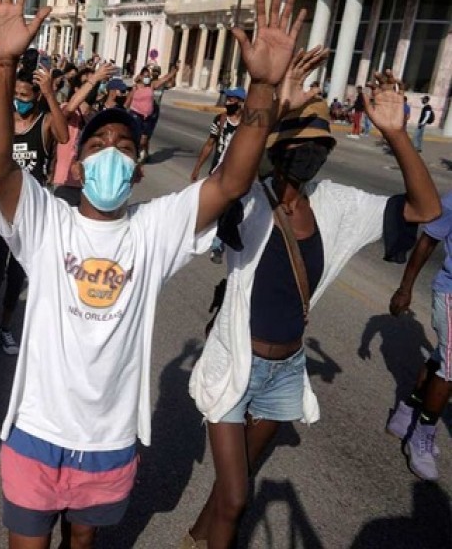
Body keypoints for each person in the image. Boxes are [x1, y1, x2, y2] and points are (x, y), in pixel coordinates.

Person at [0, 0, 307, 548]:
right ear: (77, 165)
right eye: (97, 142)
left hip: (108, 444)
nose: (109, 152)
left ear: (135, 169)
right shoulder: (47, 221)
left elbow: (231, 182)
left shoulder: (154, 230)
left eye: (123, 145)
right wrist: (3, 65)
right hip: (34, 432)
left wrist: (261, 87)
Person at [183, 73, 440, 548]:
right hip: (235, 362)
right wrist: (275, 111)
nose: (310, 154)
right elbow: (226, 178)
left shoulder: (337, 203)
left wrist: (398, 134)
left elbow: (425, 209)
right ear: (275, 145)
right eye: (299, 143)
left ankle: (197, 535)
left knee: (234, 481)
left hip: (285, 370)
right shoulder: (247, 197)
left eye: (321, 145)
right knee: (239, 497)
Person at [0, 65, 68, 355]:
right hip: (1, 213)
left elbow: (64, 137)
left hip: (32, 217)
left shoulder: (45, 122)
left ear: (36, 95)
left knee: (17, 276)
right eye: (15, 94)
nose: (19, 99)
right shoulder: (2, 124)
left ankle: (5, 327)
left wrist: (51, 95)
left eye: (25, 94)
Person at [385, 191, 452, 481]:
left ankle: (406, 412)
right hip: (450, 294)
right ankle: (421, 437)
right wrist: (405, 288)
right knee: (451, 367)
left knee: (441, 357)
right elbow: (427, 242)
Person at [190, 86, 246, 264]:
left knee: (230, 208)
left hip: (238, 173)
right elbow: (209, 144)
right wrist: (197, 167)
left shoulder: (247, 124)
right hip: (217, 171)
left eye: (233, 98)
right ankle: (210, 237)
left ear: (240, 102)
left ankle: (218, 242)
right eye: (228, 97)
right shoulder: (220, 120)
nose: (229, 100)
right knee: (214, 205)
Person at [49, 63, 118, 207]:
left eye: (94, 83)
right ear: (76, 89)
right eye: (87, 83)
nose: (92, 87)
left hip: (89, 186)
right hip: (65, 182)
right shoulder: (66, 110)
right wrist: (95, 77)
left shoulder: (96, 117)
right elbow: (70, 107)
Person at [126, 64, 177, 158]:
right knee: (136, 135)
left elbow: (165, 80)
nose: (147, 78)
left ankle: (141, 151)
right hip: (136, 113)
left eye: (148, 76)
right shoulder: (136, 86)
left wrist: (173, 72)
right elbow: (128, 101)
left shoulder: (153, 85)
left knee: (145, 138)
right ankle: (134, 154)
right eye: (145, 76)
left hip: (150, 114)